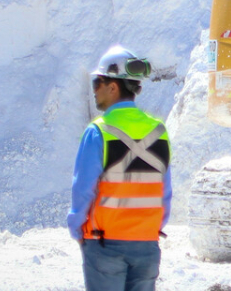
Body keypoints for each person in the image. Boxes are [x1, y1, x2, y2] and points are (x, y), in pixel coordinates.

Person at [68, 46, 170, 291]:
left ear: (112, 87)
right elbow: (164, 193)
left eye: (97, 83)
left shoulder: (99, 131)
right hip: (146, 245)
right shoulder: (158, 131)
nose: (94, 90)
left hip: (105, 243)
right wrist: (150, 230)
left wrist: (77, 229)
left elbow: (83, 189)